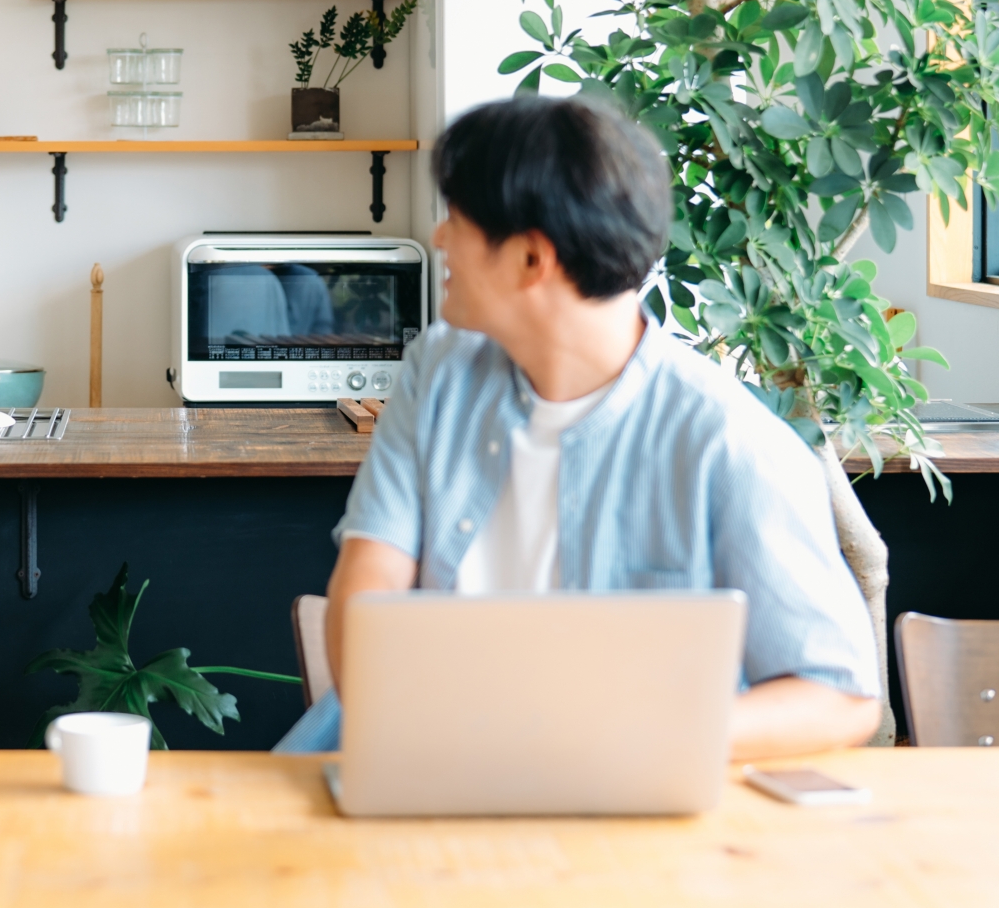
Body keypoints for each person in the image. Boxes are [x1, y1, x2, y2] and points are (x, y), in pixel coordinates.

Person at [277, 95, 881, 760]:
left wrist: (621, 743)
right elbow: (369, 584)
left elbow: (841, 697)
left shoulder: (732, 444)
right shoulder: (437, 373)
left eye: (458, 218)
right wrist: (409, 737)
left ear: (533, 259)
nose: (439, 237)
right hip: (413, 767)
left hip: (627, 812)